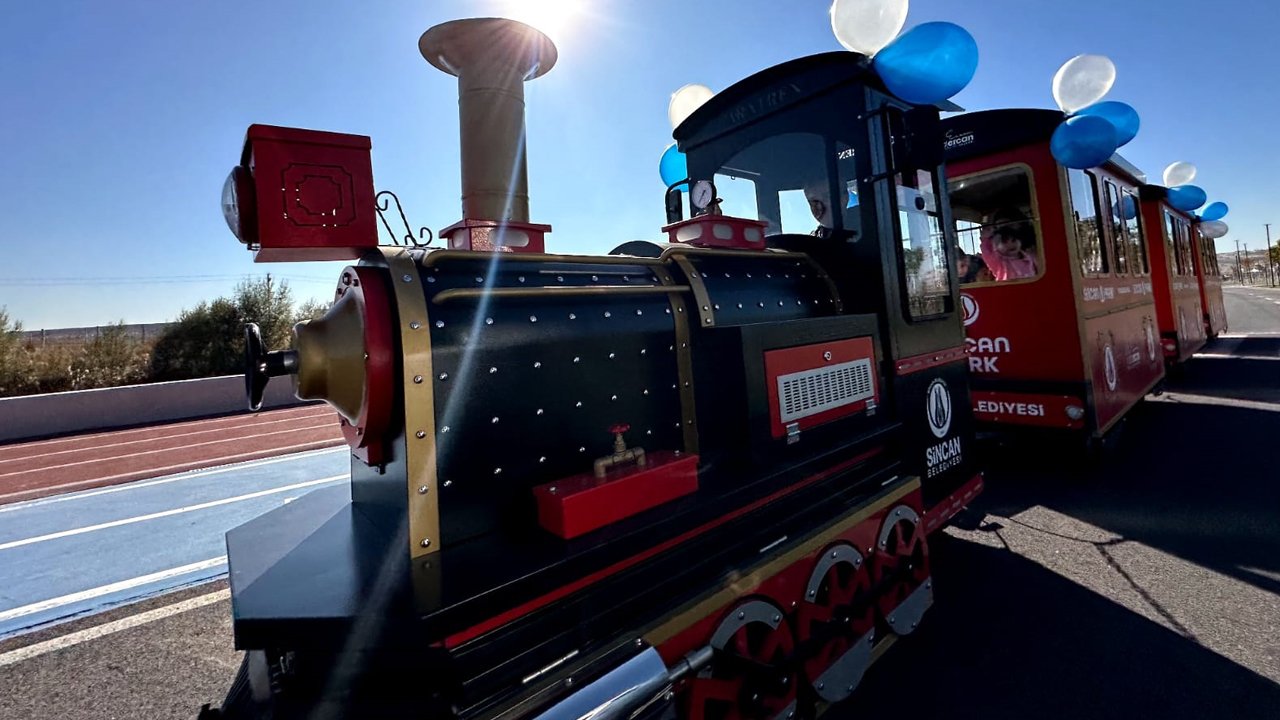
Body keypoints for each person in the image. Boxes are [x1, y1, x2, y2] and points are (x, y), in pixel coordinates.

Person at [980, 209, 1037, 281]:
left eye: (1010, 225)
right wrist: (987, 236)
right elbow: (986, 250)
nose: (1009, 244)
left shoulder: (1029, 257)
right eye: (1001, 228)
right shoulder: (999, 262)